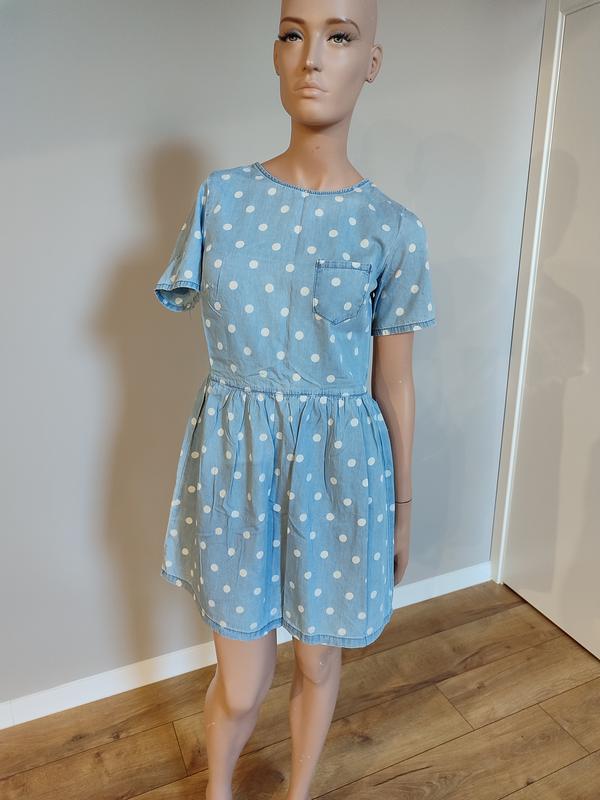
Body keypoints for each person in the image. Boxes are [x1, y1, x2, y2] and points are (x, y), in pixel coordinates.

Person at [154, 1, 436, 798]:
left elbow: (395, 381)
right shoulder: (222, 199)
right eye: (293, 34)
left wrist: (402, 508)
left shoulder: (393, 228)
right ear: (276, 53)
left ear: (371, 62)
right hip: (236, 467)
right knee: (242, 684)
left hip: (340, 474)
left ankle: (298, 792)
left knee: (318, 661)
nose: (313, 57)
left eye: (340, 37)